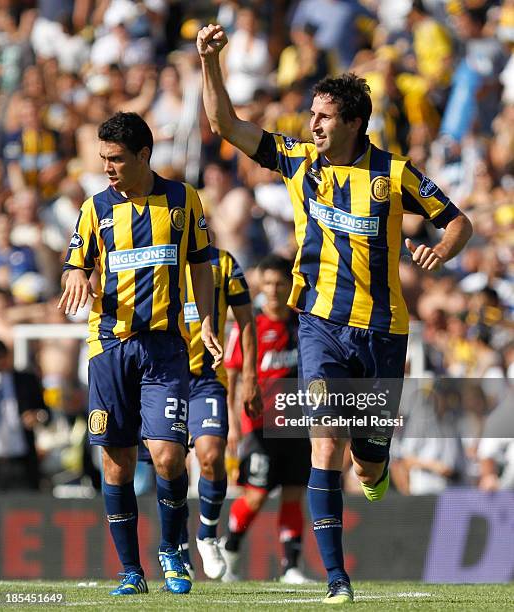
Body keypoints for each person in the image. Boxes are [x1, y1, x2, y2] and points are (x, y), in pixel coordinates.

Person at [197, 24, 473, 604]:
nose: (312, 124)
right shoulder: (300, 162)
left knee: (367, 465)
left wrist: (440, 251)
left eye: (323, 116)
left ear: (352, 121)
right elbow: (225, 126)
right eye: (311, 114)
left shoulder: (393, 176)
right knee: (324, 443)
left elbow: (457, 221)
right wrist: (211, 64)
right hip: (319, 325)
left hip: (382, 333)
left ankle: (373, 465)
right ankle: (336, 580)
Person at [58, 111, 222, 597]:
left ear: (144, 156)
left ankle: (173, 551)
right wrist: (74, 275)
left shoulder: (181, 200)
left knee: (169, 458)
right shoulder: (95, 209)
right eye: (103, 157)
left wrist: (208, 318)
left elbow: (202, 264)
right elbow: (75, 262)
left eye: (116, 159)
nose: (107, 167)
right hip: (109, 346)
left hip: (165, 348)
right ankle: (131, 571)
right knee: (116, 464)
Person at [138, 244, 262, 581]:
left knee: (210, 455)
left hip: (207, 379)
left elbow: (246, 320)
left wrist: (250, 376)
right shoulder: (155, 259)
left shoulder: (222, 263)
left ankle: (207, 533)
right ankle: (177, 545)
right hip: (162, 377)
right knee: (170, 462)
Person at [222, 254, 311, 584]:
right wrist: (231, 425)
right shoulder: (249, 326)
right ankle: (230, 545)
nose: (273, 291)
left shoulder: (303, 324)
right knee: (256, 495)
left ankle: (291, 567)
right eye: (268, 284)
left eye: (279, 284)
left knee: (293, 494)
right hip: (259, 426)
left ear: (290, 286)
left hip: (297, 425)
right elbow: (230, 379)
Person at [0, 339, 50, 490]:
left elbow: (46, 414)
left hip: (22, 459)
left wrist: (36, 416)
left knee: (24, 508)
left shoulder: (26, 380)